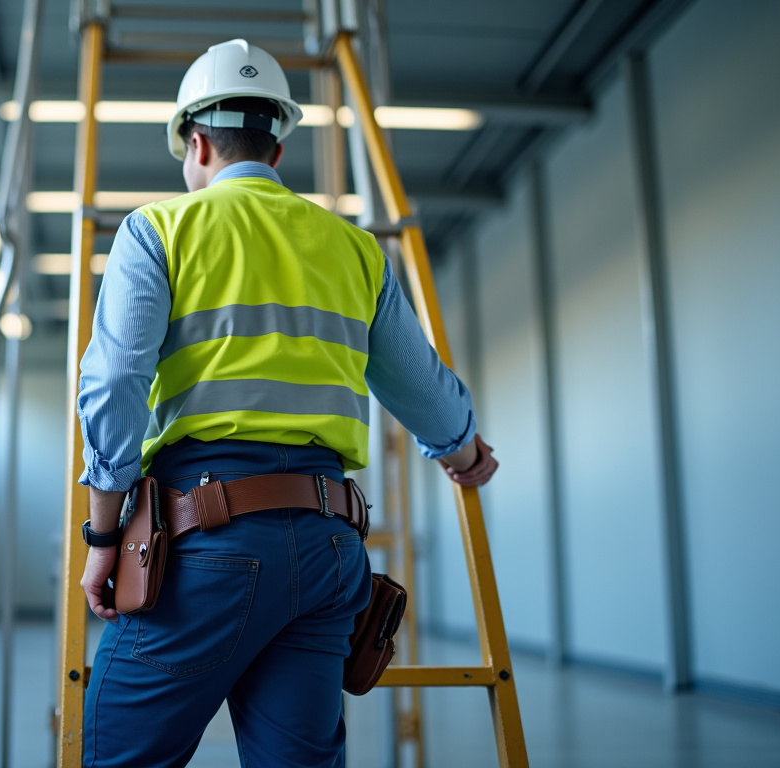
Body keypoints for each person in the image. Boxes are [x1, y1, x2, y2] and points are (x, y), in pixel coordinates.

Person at [75, 39, 498, 767]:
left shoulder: (160, 231)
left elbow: (115, 382)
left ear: (197, 143)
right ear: (277, 150)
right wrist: (463, 450)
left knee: (115, 754)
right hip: (331, 551)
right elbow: (418, 382)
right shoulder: (357, 250)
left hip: (205, 544)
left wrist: (104, 538)